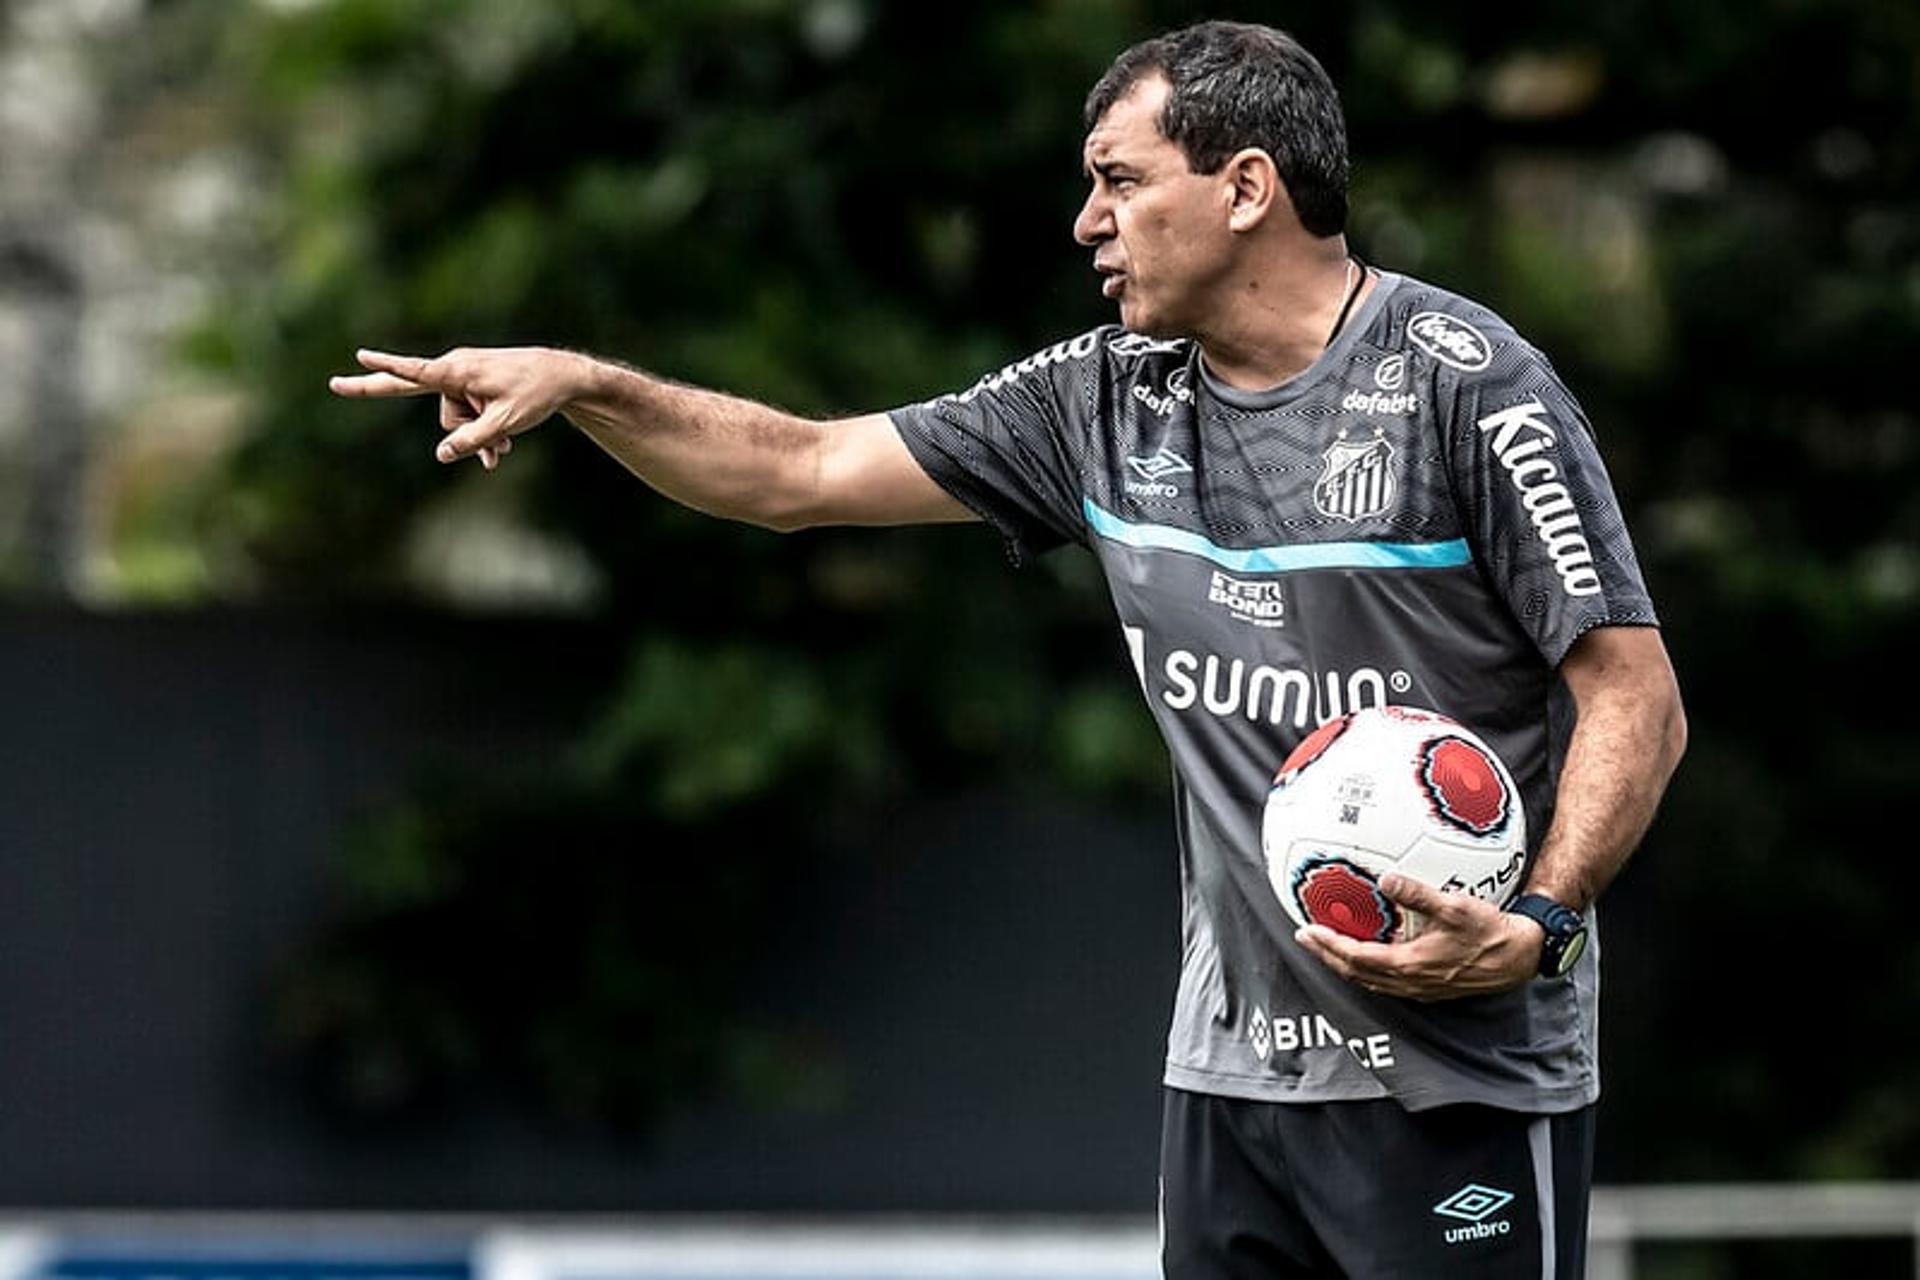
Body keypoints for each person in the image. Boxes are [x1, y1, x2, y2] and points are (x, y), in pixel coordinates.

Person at [331, 20, 1685, 1278]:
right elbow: (799, 472)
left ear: (1248, 186)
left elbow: (1634, 694)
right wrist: (589, 385)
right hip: (1232, 1090)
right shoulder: (1098, 400)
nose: (1086, 221)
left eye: (1119, 180)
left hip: (1461, 1085)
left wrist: (1540, 924)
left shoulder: (1465, 383)